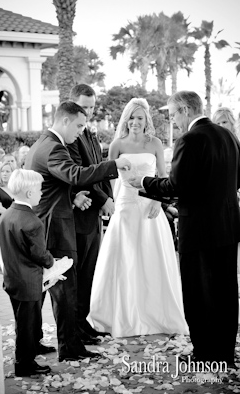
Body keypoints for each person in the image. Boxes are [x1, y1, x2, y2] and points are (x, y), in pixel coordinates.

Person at [129, 91, 240, 368]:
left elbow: (177, 186)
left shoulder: (190, 140)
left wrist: (143, 182)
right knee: (226, 291)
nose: (172, 122)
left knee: (198, 293)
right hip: (228, 227)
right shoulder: (229, 137)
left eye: (173, 115)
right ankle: (224, 353)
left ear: (185, 110)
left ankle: (204, 354)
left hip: (199, 230)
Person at [25, 101, 130, 362]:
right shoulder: (53, 148)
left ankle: (64, 344)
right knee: (65, 291)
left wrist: (70, 198)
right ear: (64, 121)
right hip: (56, 228)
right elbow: (76, 174)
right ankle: (70, 349)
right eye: (79, 125)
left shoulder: (43, 143)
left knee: (63, 290)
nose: (81, 131)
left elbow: (52, 187)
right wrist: (115, 165)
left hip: (52, 221)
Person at [89, 98, 188, 338]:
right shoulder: (116, 145)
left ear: (146, 121)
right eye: (131, 117)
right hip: (125, 210)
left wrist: (157, 201)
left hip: (150, 210)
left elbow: (164, 177)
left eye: (140, 118)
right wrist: (114, 204)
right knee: (126, 261)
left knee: (152, 260)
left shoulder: (154, 143)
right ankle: (124, 316)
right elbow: (109, 181)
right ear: (125, 120)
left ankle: (155, 314)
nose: (135, 122)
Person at [67, 84, 114, 343]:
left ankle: (84, 324)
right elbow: (81, 174)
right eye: (84, 107)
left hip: (94, 213)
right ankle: (74, 327)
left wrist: (109, 199)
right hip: (80, 214)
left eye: (92, 107)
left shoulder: (90, 133)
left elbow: (99, 169)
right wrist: (103, 199)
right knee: (78, 274)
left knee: (89, 273)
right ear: (73, 105)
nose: (89, 112)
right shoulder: (72, 138)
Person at [0, 169, 54, 377]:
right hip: (28, 281)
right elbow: (39, 253)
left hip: (13, 279)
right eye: (40, 189)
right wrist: (52, 262)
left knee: (25, 320)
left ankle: (33, 348)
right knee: (26, 324)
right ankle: (24, 363)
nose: (41, 193)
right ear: (29, 193)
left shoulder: (7, 215)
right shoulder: (32, 222)